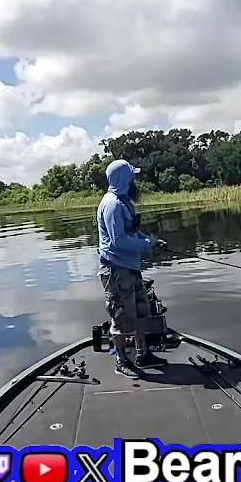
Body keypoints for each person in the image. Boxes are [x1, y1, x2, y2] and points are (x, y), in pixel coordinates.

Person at [96, 159, 167, 376]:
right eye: (132, 176)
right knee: (121, 318)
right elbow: (118, 240)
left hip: (130, 268)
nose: (135, 180)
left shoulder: (124, 202)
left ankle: (142, 354)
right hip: (116, 271)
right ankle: (121, 361)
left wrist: (151, 241)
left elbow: (133, 232)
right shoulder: (112, 205)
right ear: (124, 178)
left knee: (142, 312)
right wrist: (145, 246)